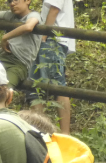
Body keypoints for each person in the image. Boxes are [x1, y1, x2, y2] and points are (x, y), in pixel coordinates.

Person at [28, 0, 75, 134]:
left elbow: (54, 10)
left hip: (52, 39)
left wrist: (44, 35)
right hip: (55, 39)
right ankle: (40, 129)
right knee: (43, 83)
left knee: (51, 84)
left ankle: (45, 131)